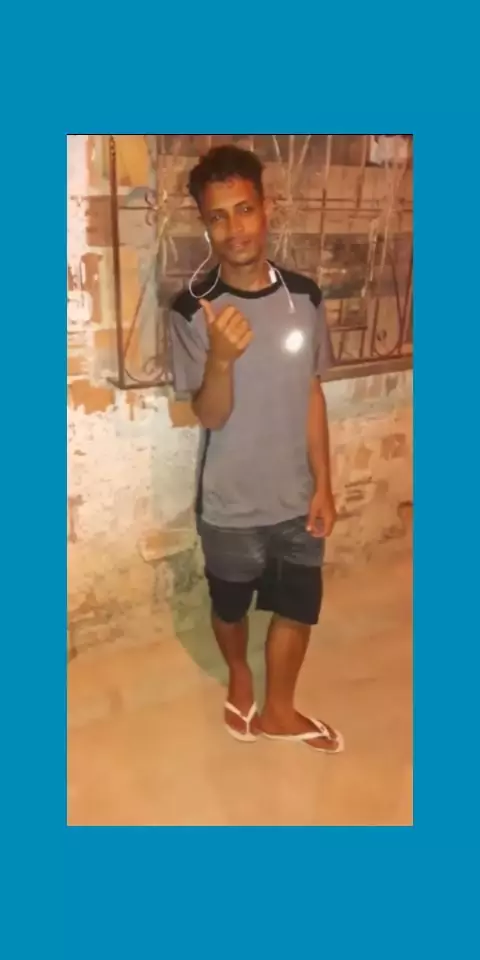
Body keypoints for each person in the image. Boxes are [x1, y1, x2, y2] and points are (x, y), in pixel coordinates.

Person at [169, 145, 343, 752]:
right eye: (218, 216)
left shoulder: (305, 296)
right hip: (231, 504)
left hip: (297, 498)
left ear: (267, 208)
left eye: (245, 209)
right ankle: (239, 675)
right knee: (230, 608)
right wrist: (221, 359)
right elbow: (209, 414)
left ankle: (280, 711)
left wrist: (324, 484)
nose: (235, 228)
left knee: (299, 605)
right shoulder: (191, 310)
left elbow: (311, 392)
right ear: (205, 224)